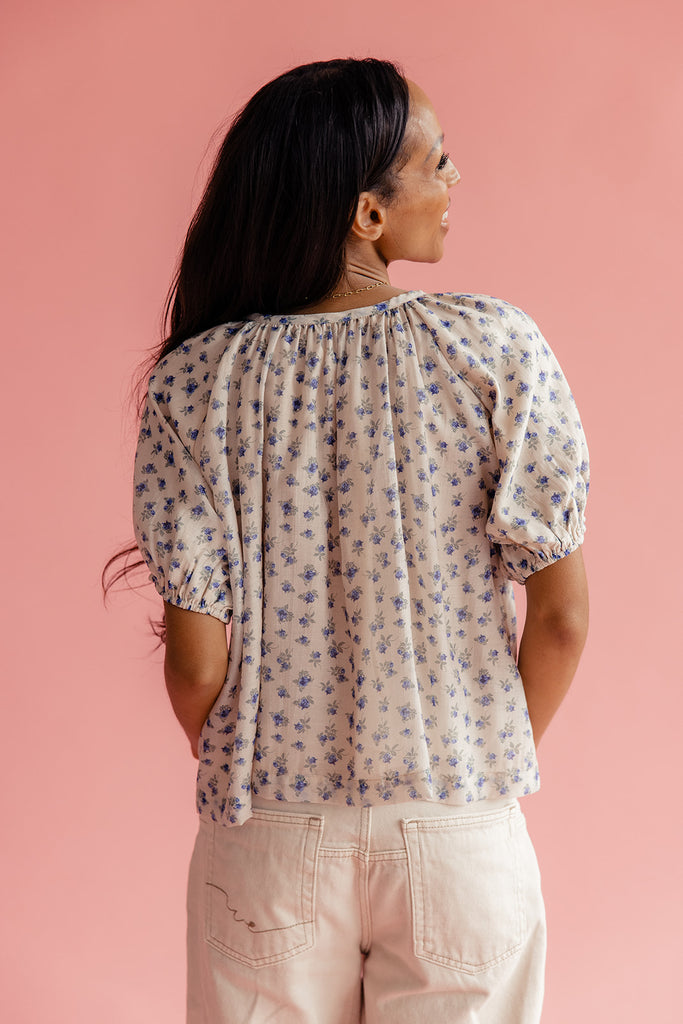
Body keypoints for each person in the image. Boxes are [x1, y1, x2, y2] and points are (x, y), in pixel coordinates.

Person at [127, 58, 589, 1024]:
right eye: (437, 160)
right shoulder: (493, 348)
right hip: (458, 824)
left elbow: (196, 665)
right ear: (368, 214)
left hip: (268, 833)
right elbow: (560, 621)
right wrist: (474, 770)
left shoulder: (198, 381)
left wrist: (262, 773)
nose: (454, 178)